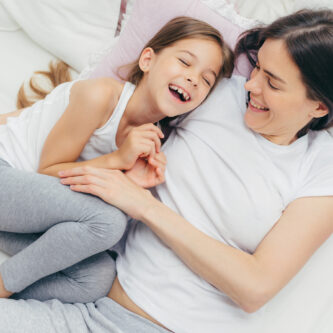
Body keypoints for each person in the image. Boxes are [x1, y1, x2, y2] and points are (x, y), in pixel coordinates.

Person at [1, 8, 333, 333]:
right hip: (86, 290)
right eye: (257, 68)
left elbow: (255, 288)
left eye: (272, 83)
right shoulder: (216, 94)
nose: (251, 86)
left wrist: (144, 206)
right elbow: (115, 106)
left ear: (318, 106)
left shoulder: (320, 168)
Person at [0, 17, 233, 303]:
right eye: (185, 62)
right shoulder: (101, 95)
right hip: (7, 172)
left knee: (96, 277)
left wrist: (129, 182)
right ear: (148, 60)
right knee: (108, 222)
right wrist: (117, 160)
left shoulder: (154, 144)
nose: (193, 78)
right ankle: (3, 284)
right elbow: (47, 172)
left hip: (26, 209)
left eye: (206, 80)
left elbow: (80, 210)